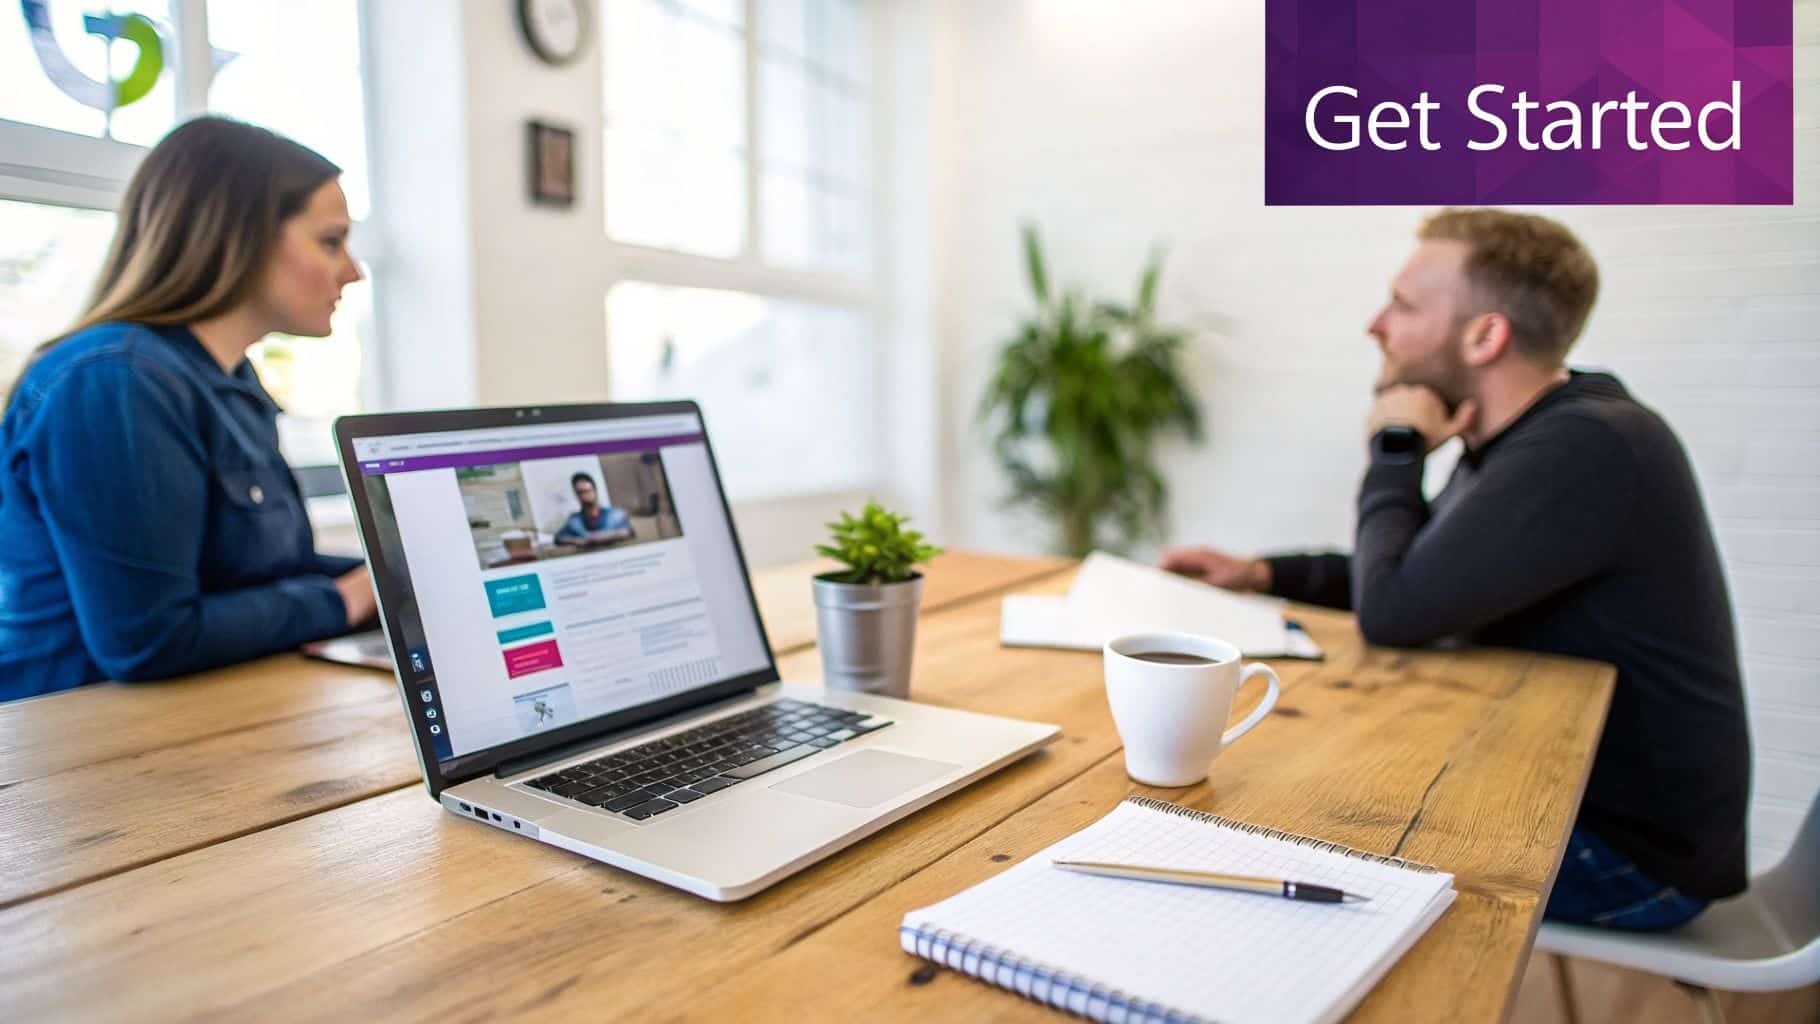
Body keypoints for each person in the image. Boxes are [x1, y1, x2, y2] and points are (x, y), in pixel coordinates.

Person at [1160, 209, 1750, 931]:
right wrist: (1258, 573)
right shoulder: (1542, 435)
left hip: (1631, 857)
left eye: (1404, 304)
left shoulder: (1584, 446)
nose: (1376, 324)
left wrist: (1398, 446)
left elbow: (1397, 610)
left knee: (1281, 830)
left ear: (1484, 334)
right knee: (1293, 804)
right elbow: (1424, 575)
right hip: (1571, 800)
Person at [0, 117, 375, 700]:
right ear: (237, 239)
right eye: (330, 242)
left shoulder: (232, 381)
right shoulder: (115, 383)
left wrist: (394, 577)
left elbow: (273, 570)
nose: (352, 271)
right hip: (74, 743)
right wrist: (347, 597)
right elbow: (147, 638)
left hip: (207, 714)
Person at [553, 472, 631, 547]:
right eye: (581, 492)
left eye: (588, 491)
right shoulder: (574, 520)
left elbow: (627, 532)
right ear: (576, 495)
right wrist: (579, 541)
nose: (585, 495)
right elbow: (559, 538)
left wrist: (605, 537)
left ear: (595, 491)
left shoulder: (615, 514)